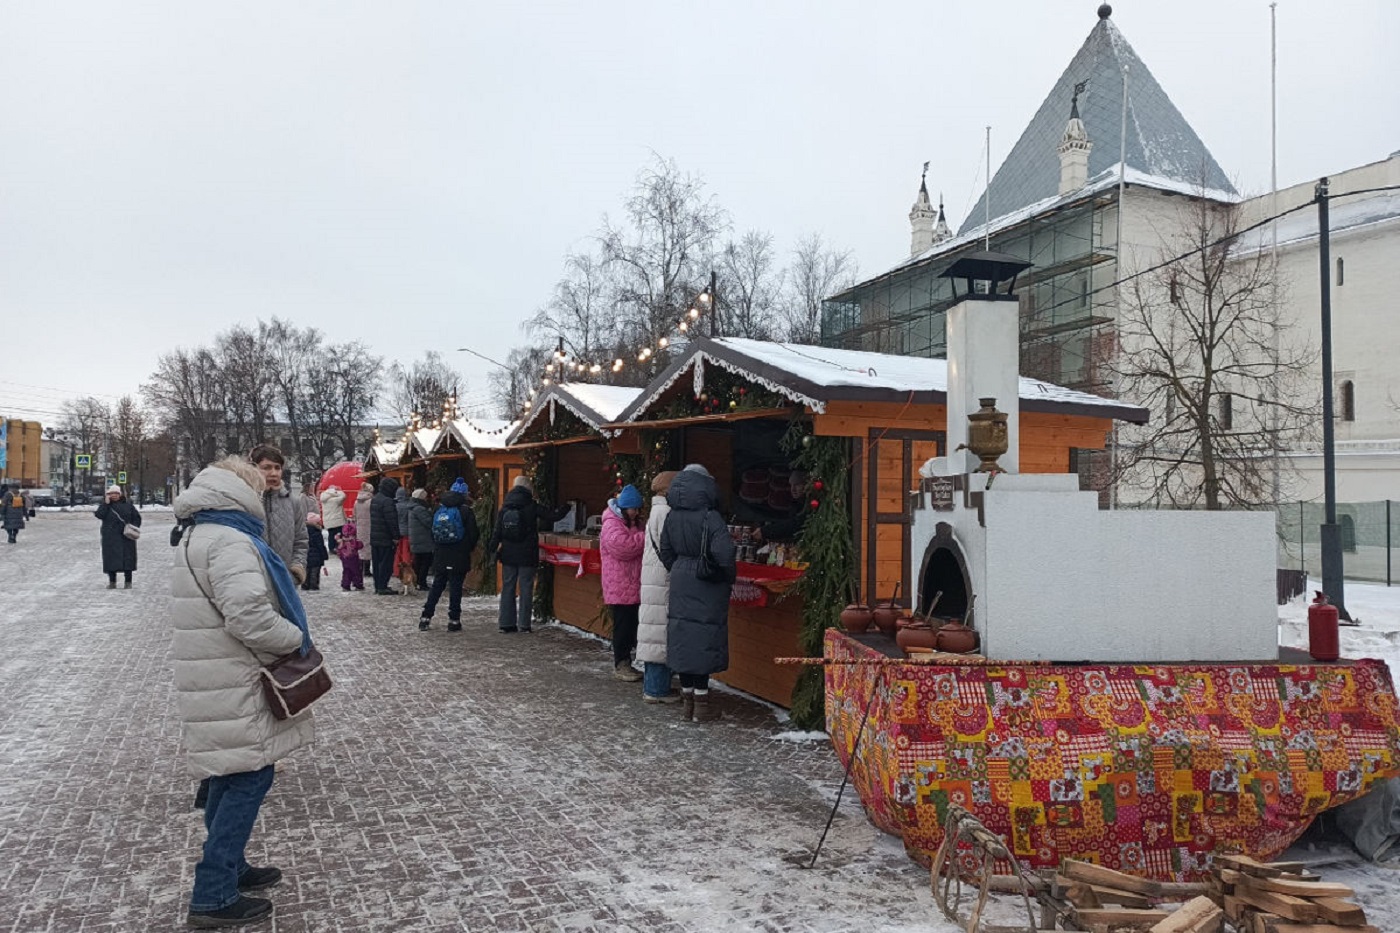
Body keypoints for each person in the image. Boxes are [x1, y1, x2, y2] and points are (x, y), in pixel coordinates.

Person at [171, 456, 317, 928]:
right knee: (248, 777)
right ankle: (213, 893)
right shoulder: (230, 541)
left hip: (217, 674)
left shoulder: (201, 532)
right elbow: (249, 617)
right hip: (235, 674)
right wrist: (295, 639)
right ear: (242, 492)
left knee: (228, 775)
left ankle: (230, 867)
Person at [659, 464, 737, 724]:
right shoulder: (710, 517)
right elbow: (725, 554)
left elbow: (665, 550)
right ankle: (702, 706)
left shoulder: (672, 515)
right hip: (707, 582)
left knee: (684, 639)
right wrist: (724, 577)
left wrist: (681, 568)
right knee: (702, 639)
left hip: (681, 578)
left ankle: (687, 703)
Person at [487, 476, 568, 633]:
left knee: (508, 588)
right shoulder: (531, 505)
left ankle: (506, 624)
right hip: (527, 554)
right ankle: (524, 624)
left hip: (508, 554)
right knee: (526, 588)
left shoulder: (505, 507)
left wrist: (492, 550)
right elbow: (553, 516)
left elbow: (497, 532)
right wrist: (567, 507)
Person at [637, 471, 680, 702]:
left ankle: (655, 686)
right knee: (658, 635)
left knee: (655, 633)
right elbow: (669, 547)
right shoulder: (665, 513)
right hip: (661, 579)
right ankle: (655, 689)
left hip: (655, 579)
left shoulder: (656, 510)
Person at [419, 478, 480, 632]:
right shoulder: (466, 511)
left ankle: (425, 617)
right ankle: (454, 620)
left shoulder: (439, 509)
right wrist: (468, 548)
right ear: (464, 494)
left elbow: (433, 533)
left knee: (437, 586)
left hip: (441, 554)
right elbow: (473, 534)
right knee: (456, 587)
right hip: (459, 554)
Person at [601, 484, 646, 682]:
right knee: (623, 626)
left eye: (637, 509)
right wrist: (646, 537)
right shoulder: (612, 523)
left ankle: (627, 661)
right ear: (624, 508)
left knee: (630, 625)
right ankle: (621, 663)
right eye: (633, 509)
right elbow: (623, 548)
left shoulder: (632, 523)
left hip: (632, 583)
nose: (636, 513)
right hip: (620, 584)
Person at [248, 445, 309, 586]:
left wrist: (296, 570)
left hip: (285, 582)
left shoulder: (293, 502)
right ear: (253, 469)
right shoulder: (244, 500)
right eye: (266, 467)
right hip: (251, 583)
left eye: (277, 467)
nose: (273, 473)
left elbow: (301, 540)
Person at [95, 484, 141, 588]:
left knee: (128, 560)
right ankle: (112, 582)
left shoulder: (128, 504)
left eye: (116, 493)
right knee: (111, 560)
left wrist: (133, 527)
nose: (114, 495)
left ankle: (128, 582)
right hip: (110, 537)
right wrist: (105, 504)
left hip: (126, 536)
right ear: (108, 495)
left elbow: (136, 517)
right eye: (111, 493)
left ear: (120, 494)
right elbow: (99, 515)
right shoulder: (106, 505)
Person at [369, 477, 402, 595]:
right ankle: (383, 586)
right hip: (385, 538)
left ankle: (378, 585)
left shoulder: (375, 499)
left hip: (375, 537)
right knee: (385, 563)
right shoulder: (388, 501)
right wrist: (396, 536)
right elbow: (391, 521)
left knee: (377, 562)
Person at [406, 488, 435, 590]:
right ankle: (421, 583)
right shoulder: (420, 509)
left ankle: (416, 581)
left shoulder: (412, 507)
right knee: (424, 562)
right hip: (423, 539)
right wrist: (431, 514)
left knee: (418, 561)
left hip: (416, 538)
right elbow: (428, 522)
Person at [393, 484, 414, 589]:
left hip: (397, 533)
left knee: (398, 553)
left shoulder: (395, 506)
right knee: (406, 553)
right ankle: (407, 571)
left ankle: (397, 571)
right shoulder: (409, 506)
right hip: (407, 532)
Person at [353, 482, 373, 581]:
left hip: (360, 527)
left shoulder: (356, 501)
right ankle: (367, 570)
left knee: (360, 547)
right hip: (369, 526)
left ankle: (360, 568)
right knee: (368, 548)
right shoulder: (370, 501)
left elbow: (354, 515)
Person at [337, 521, 365, 590]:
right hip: (353, 558)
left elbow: (339, 549)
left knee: (346, 572)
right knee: (356, 571)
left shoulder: (342, 541)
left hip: (345, 559)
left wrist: (341, 556)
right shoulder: (354, 540)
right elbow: (360, 545)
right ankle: (358, 584)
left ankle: (345, 585)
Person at [319, 485, 347, 554]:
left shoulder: (323, 497)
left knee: (331, 535)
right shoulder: (336, 499)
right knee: (339, 534)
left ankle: (331, 548)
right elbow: (344, 496)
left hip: (328, 520)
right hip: (337, 520)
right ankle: (338, 547)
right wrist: (338, 492)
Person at [303, 512, 327, 591]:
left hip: (306, 554)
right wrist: (324, 555)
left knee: (307, 569)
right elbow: (320, 545)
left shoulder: (303, 531)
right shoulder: (317, 532)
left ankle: (305, 584)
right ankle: (313, 585)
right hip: (316, 555)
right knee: (315, 571)